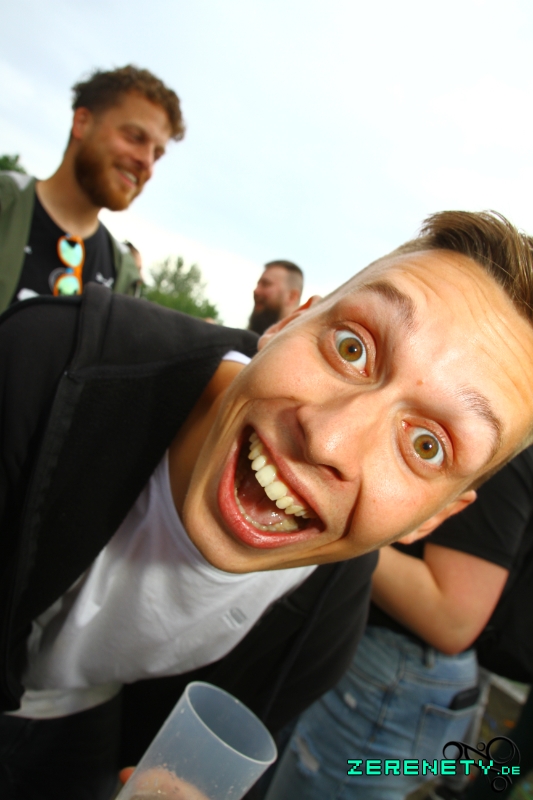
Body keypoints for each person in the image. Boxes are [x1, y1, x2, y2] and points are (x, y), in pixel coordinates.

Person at [2, 210, 533, 800]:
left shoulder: (321, 626)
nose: (328, 440)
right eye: (351, 347)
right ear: (289, 323)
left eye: (426, 445)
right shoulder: (47, 364)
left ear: (434, 519)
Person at [263, 447, 533, 800]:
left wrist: (335, 526)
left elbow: (452, 619)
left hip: (392, 682)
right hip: (386, 673)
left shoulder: (498, 453)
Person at [0, 65, 184, 311]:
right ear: (82, 123)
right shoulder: (6, 204)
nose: (147, 162)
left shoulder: (123, 272)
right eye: (134, 137)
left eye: (157, 154)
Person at [248, 259, 303, 334]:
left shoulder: (300, 338)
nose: (256, 291)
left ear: (292, 297)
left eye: (265, 284)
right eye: (258, 284)